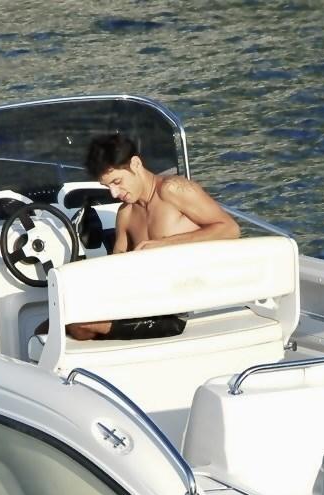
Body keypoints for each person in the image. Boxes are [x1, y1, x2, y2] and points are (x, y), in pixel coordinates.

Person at [64, 133, 240, 341]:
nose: (114, 193)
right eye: (107, 186)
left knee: (79, 325)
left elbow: (230, 229)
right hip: (144, 301)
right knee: (64, 321)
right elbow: (116, 271)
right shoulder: (125, 214)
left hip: (182, 305)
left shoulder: (173, 190)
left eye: (117, 182)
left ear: (136, 164)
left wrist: (164, 245)